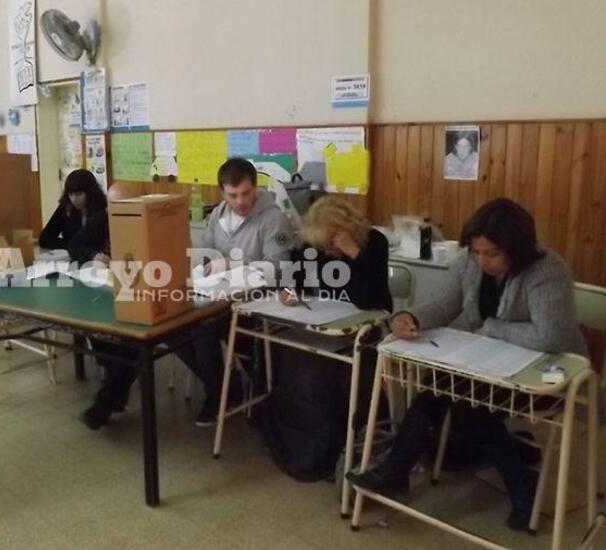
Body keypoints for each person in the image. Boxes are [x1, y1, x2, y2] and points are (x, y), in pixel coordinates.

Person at [347, 198, 587, 531]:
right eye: (476, 252)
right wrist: (409, 316)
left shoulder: (547, 270)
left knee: (473, 408)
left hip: (549, 374)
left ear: (517, 249)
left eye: (492, 254)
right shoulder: (469, 263)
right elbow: (446, 304)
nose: (482, 261)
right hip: (490, 365)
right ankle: (395, 472)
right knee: (433, 389)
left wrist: (491, 328)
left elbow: (552, 337)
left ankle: (522, 487)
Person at [263, 196, 392, 481]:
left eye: (332, 243)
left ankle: (327, 445)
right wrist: (289, 293)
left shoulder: (374, 243)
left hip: (361, 329)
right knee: (291, 360)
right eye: (323, 246)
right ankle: (301, 443)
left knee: (319, 374)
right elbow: (294, 281)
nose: (327, 251)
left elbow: (372, 300)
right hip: (320, 327)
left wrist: (354, 254)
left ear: (348, 230)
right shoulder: (312, 245)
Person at [178, 157, 294, 427]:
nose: (240, 201)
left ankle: (219, 395)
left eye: (246, 193)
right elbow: (205, 250)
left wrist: (233, 264)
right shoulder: (219, 214)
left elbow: (280, 269)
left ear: (255, 187)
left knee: (201, 328)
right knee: (174, 327)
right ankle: (226, 388)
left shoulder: (273, 218)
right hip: (217, 297)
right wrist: (202, 264)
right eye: (233, 195)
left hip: (256, 302)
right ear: (222, 193)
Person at [38, 171, 140, 430]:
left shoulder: (145, 223)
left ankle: (107, 399)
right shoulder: (101, 219)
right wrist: (94, 254)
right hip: (106, 290)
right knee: (97, 325)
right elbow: (75, 246)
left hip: (140, 293)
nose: (117, 212)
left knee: (131, 345)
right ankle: (112, 389)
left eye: (125, 207)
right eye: (114, 207)